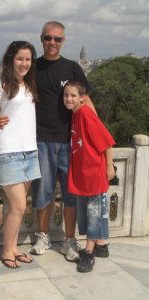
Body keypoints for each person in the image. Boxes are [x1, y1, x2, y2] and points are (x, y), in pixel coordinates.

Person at [0, 21, 96, 262]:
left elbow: (86, 102)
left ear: (63, 41)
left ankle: (70, 239)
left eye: (57, 39)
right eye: (48, 38)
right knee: (44, 192)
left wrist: (97, 137)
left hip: (70, 142)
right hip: (40, 141)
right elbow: (13, 94)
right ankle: (44, 235)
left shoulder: (72, 68)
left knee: (71, 193)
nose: (52, 43)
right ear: (42, 39)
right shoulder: (33, 68)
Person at [0, 41, 41, 269]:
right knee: (18, 206)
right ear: (10, 59)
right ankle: (7, 251)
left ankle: (15, 248)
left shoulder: (29, 85)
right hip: (9, 152)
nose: (24, 63)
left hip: (29, 151)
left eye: (28, 59)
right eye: (20, 58)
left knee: (18, 207)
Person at [63, 80, 115, 272]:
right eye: (66, 95)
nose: (68, 99)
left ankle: (89, 253)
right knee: (88, 213)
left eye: (73, 96)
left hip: (93, 173)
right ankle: (101, 244)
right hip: (83, 174)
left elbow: (107, 141)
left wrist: (110, 166)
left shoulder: (85, 114)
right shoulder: (75, 115)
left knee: (93, 214)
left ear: (82, 98)